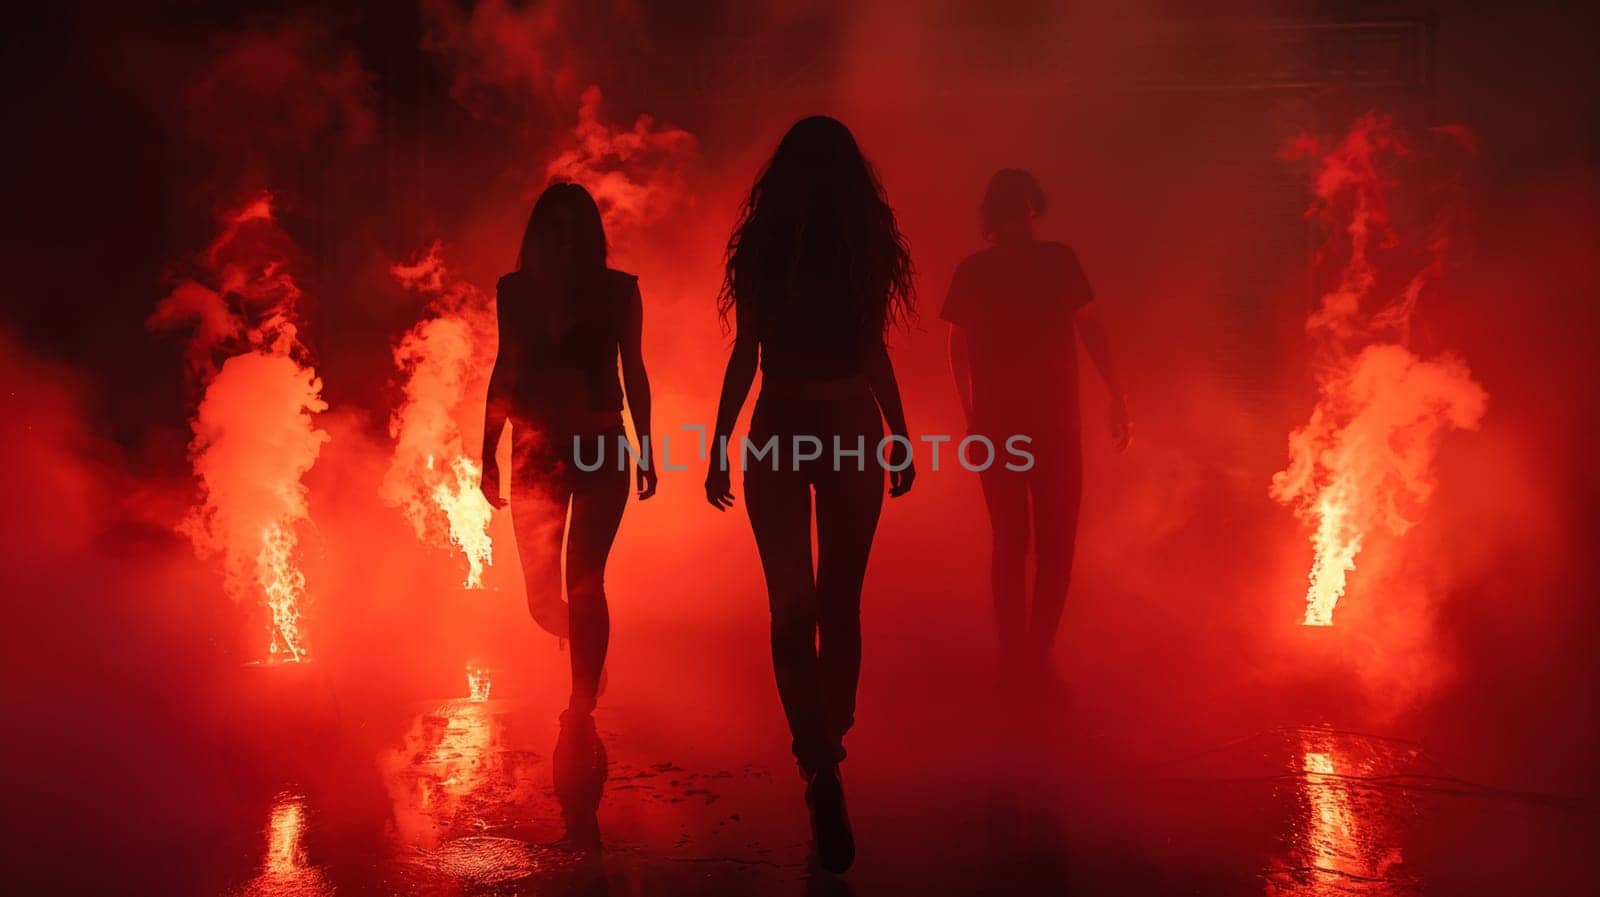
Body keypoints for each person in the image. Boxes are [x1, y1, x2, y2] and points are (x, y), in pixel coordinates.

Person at [705, 116, 915, 874]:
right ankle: (827, 751)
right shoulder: (851, 245)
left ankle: (819, 756)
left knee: (797, 606)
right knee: (830, 602)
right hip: (837, 421)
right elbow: (866, 351)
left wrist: (721, 444)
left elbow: (748, 355)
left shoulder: (776, 247)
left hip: (791, 423)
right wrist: (897, 431)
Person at [479, 182, 657, 844]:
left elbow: (633, 369)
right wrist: (486, 450)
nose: (565, 239)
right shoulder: (514, 290)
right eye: (554, 227)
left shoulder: (618, 290)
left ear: (590, 234)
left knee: (587, 575)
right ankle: (587, 656)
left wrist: (646, 446)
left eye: (575, 227)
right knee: (539, 596)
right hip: (535, 448)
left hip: (603, 441)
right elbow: (504, 367)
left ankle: (580, 706)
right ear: (538, 234)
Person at [943, 168, 1129, 695]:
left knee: (1021, 544)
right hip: (1040, 428)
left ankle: (1025, 662)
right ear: (1027, 212)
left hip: (1019, 427)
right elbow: (1089, 326)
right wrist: (1118, 395)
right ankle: (1029, 662)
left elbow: (957, 344)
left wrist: (971, 415)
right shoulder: (1053, 261)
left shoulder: (985, 269)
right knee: (1044, 545)